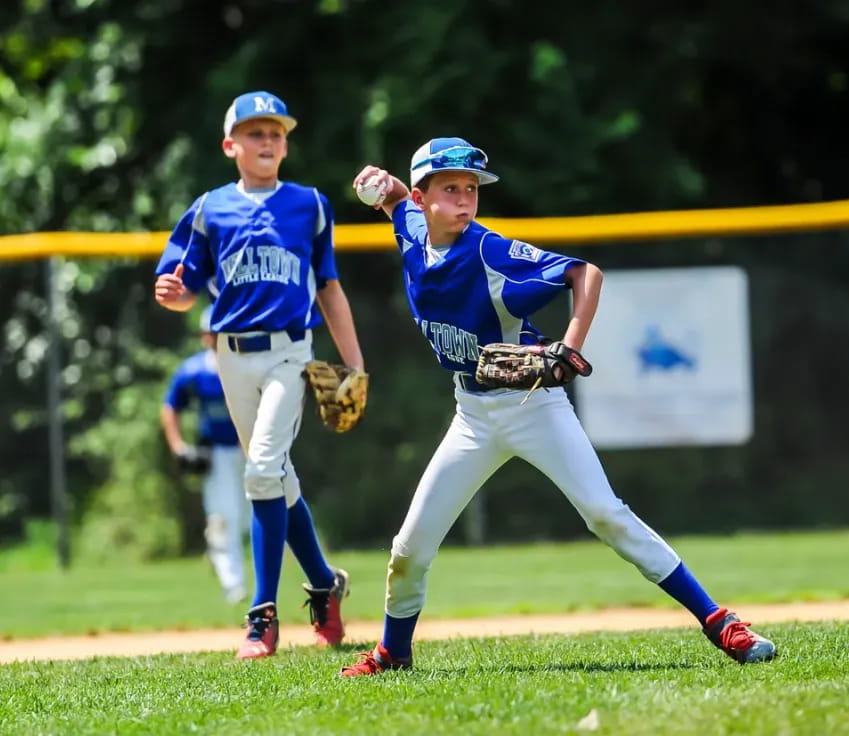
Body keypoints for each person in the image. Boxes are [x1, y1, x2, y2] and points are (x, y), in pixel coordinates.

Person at [340, 137, 778, 676]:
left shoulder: (488, 250)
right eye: (450, 188)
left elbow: (584, 273)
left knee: (605, 514)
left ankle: (720, 623)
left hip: (534, 406)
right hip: (472, 417)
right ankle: (393, 652)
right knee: (408, 549)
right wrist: (388, 189)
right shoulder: (411, 227)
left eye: (472, 189)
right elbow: (402, 206)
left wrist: (570, 346)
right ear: (426, 197)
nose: (464, 199)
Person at [153, 90, 364, 659]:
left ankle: (261, 616)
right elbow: (182, 284)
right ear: (231, 146)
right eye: (254, 133)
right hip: (230, 356)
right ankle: (324, 584)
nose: (267, 140)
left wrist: (355, 361)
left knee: (262, 470)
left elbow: (329, 288)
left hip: (290, 353)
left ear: (286, 144)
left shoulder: (310, 205)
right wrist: (172, 296)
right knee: (276, 479)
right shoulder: (210, 208)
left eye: (275, 133)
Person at [161, 304, 249, 604]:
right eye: (210, 333)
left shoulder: (245, 364)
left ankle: (217, 551)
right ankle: (233, 584)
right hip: (216, 453)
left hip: (249, 449)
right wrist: (178, 446)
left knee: (250, 518)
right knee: (226, 518)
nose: (214, 337)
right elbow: (170, 405)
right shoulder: (195, 371)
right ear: (203, 337)